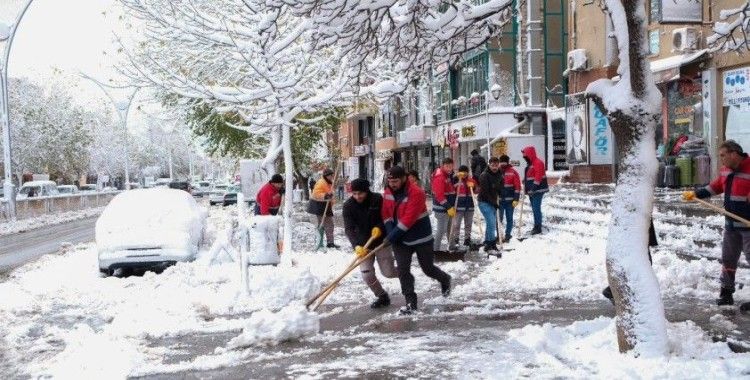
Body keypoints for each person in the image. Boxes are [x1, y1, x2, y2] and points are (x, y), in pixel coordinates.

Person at [684, 140, 750, 307]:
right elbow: (715, 187)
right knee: (728, 259)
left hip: (748, 225)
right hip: (731, 225)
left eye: (723, 155)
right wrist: (696, 194)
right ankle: (726, 293)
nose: (721, 159)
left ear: (734, 154)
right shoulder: (725, 171)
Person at [382, 166, 452, 315]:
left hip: (420, 237)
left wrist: (392, 236)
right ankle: (410, 302)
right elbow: (386, 213)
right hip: (400, 239)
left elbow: (409, 218)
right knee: (402, 270)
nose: (392, 184)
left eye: (395, 181)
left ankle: (445, 279)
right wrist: (389, 232)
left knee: (427, 268)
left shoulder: (417, 192)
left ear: (403, 178)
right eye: (390, 181)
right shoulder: (388, 191)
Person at [343, 178, 398, 309]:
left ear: (367, 191)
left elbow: (386, 217)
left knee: (388, 273)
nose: (357, 197)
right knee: (366, 274)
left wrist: (380, 227)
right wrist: (356, 245)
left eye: (360, 193)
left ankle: (404, 273)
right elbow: (349, 228)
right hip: (363, 245)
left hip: (380, 241)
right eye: (354, 194)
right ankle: (382, 296)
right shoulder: (348, 206)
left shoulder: (377, 199)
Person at [307, 168, 339, 249]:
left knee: (328, 224)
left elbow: (330, 193)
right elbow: (315, 194)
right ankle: (322, 243)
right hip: (319, 206)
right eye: (331, 175)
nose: (332, 176)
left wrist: (329, 196)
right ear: (326, 175)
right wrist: (325, 195)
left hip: (325, 205)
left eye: (332, 175)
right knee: (325, 224)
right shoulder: (321, 182)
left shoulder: (328, 183)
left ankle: (328, 242)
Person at [478, 157, 503, 253]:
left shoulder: (499, 174)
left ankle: (487, 242)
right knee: (492, 222)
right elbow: (485, 192)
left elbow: (501, 186)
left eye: (496, 165)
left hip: (493, 201)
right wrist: (494, 203)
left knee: (490, 223)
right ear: (489, 165)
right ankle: (492, 243)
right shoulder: (484, 175)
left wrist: (500, 191)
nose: (495, 167)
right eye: (493, 165)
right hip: (484, 202)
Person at [522, 146, 548, 235]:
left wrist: (532, 189)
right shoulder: (530, 164)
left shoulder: (538, 163)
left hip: (538, 190)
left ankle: (538, 227)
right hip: (532, 190)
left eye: (525, 156)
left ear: (530, 154)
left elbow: (538, 177)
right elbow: (530, 176)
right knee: (534, 208)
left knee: (536, 208)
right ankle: (536, 225)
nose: (524, 158)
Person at [431, 158, 456, 251]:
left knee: (451, 228)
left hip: (448, 207)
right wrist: (448, 207)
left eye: (451, 166)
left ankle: (452, 246)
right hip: (441, 208)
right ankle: (435, 250)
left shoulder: (448, 175)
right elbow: (439, 196)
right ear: (443, 165)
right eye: (447, 166)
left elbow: (450, 189)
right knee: (441, 230)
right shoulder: (440, 177)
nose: (449, 168)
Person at [449, 165, 476, 250]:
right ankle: (456, 239)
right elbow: (450, 189)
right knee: (456, 224)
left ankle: (467, 239)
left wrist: (474, 186)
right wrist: (456, 184)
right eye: (462, 172)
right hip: (459, 206)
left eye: (466, 172)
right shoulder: (454, 179)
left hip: (469, 206)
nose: (464, 173)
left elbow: (476, 190)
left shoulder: (471, 180)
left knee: (468, 224)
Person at [497, 155, 521, 242]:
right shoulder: (496, 172)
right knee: (498, 219)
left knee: (509, 218)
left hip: (510, 201)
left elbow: (517, 187)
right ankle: (499, 235)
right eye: (501, 162)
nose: (503, 164)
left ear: (507, 162)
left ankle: (508, 235)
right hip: (499, 201)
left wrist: (516, 199)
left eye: (504, 162)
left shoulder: (513, 172)